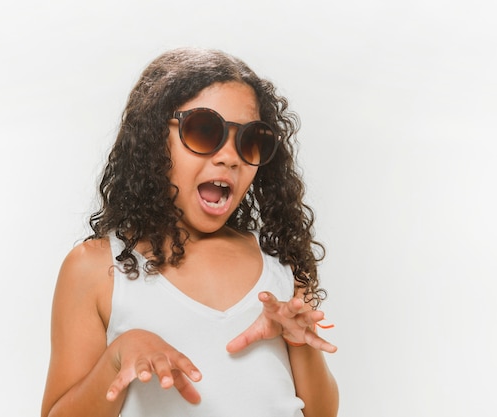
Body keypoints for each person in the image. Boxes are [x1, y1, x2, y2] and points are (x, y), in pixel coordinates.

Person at [41, 47, 339, 417]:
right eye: (204, 130)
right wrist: (118, 357)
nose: (230, 156)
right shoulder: (97, 269)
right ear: (153, 140)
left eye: (250, 140)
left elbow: (322, 413)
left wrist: (301, 344)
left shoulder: (278, 266)